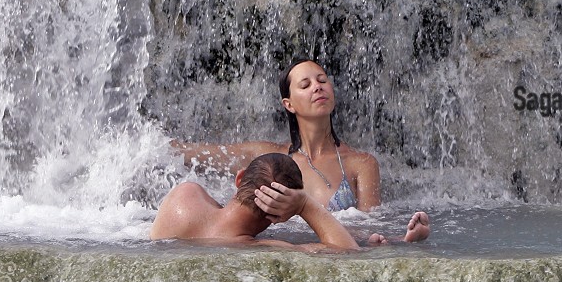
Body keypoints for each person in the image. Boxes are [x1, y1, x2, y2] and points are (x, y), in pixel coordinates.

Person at [172, 59, 430, 243]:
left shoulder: (360, 164)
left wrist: (403, 239)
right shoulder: (267, 157)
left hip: (332, 254)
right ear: (289, 104)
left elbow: (371, 227)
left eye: (322, 80)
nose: (317, 87)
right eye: (305, 85)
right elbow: (198, 154)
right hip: (283, 253)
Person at [150, 152, 374, 251]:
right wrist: (304, 205)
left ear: (239, 179)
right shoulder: (259, 249)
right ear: (280, 217)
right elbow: (346, 252)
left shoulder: (186, 194)